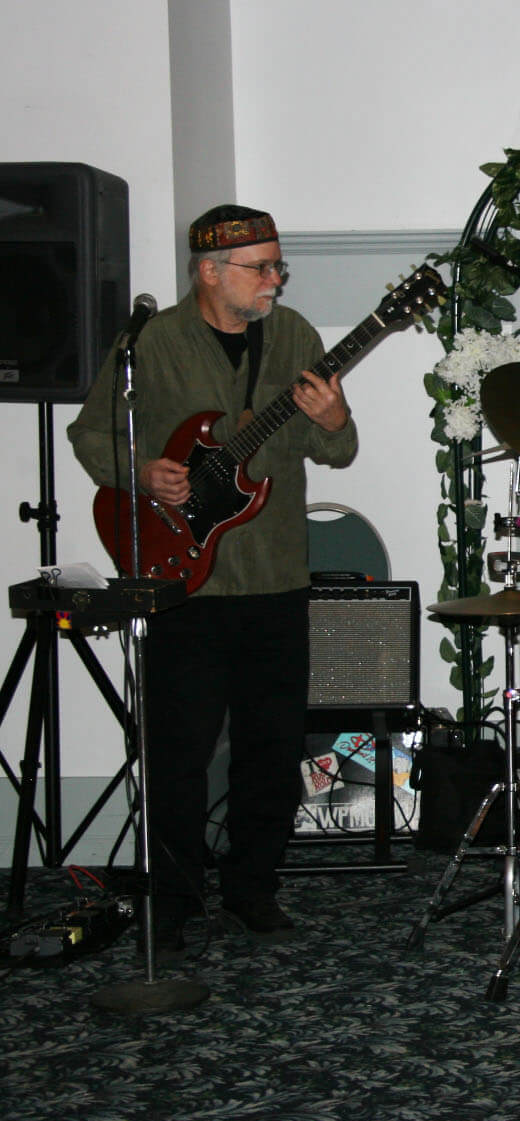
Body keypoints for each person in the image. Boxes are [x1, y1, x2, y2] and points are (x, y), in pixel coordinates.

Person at [69, 205, 357, 960]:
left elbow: (341, 448)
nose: (274, 279)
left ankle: (253, 888)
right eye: (260, 267)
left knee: (272, 744)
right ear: (208, 272)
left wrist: (333, 418)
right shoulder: (155, 342)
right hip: (181, 581)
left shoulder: (294, 337)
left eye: (276, 265)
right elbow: (89, 433)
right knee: (178, 749)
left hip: (276, 576)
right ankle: (174, 894)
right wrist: (143, 473)